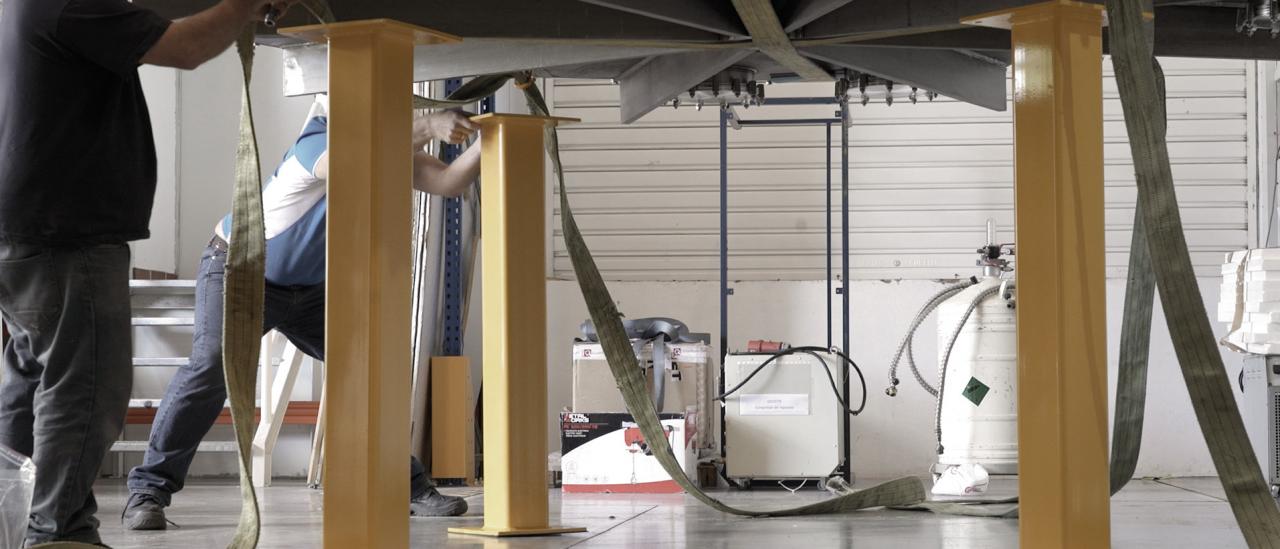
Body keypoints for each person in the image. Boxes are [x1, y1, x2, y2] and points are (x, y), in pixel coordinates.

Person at [0, 0, 295, 545]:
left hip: (28, 227)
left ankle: (18, 526)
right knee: (83, 387)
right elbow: (184, 47)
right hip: (68, 229)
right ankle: (60, 536)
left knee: (32, 384)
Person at [123, 97, 483, 530]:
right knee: (212, 368)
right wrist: (428, 124)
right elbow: (356, 157)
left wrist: (494, 136)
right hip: (240, 270)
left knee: (368, 371)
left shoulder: (386, 154)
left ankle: (409, 486)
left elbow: (447, 181)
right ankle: (148, 492)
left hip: (309, 291)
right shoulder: (315, 144)